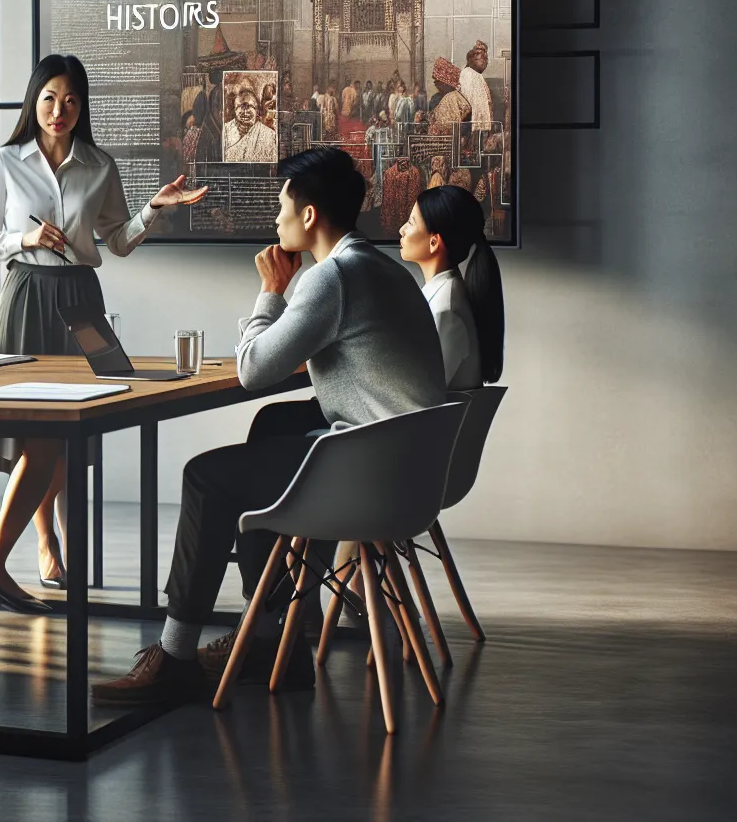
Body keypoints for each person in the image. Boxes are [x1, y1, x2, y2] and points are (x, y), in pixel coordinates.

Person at [89, 148, 445, 705]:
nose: (275, 218)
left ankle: (176, 655)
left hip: (374, 471)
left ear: (308, 217)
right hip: (407, 463)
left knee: (208, 477)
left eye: (281, 205)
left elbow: (254, 368)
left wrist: (270, 294)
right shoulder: (376, 266)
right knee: (276, 423)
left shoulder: (333, 278)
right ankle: (273, 638)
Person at [0, 53, 207, 611]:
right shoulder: (4, 162)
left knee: (70, 434)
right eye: (49, 97)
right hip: (25, 295)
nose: (59, 110)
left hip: (79, 297)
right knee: (37, 435)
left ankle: (38, 552)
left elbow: (117, 240)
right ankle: (31, 549)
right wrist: (25, 241)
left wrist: (155, 208)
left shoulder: (99, 165)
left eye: (71, 100)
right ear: (34, 100)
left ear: (83, 106)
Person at [398, 184, 505, 390]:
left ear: (434, 242)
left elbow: (423, 394)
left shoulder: (445, 309)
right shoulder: (444, 293)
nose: (402, 229)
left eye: (411, 222)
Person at [223, 85, 280, 162]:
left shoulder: (269, 135)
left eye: (249, 106)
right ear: (235, 110)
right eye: (241, 106)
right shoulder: (225, 130)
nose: (245, 112)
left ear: (257, 110)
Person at [459, 41, 494, 134]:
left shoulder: (477, 76)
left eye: (486, 59)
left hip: (479, 127)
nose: (485, 62)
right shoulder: (468, 74)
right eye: (481, 58)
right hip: (471, 125)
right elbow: (469, 102)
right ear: (472, 59)